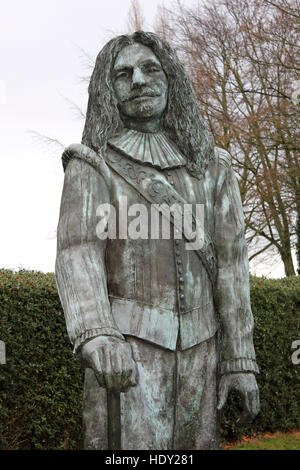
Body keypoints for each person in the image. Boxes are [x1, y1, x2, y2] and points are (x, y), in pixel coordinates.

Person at [55, 31, 260, 450]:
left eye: (151, 69)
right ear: (107, 89)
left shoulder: (213, 168)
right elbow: (78, 253)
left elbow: (233, 264)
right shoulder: (92, 164)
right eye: (123, 73)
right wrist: (96, 333)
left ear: (171, 81)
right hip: (128, 352)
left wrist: (239, 359)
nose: (138, 80)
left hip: (203, 353)